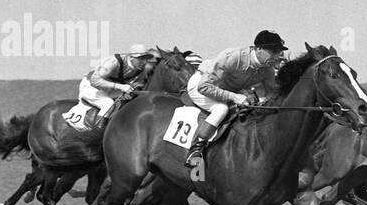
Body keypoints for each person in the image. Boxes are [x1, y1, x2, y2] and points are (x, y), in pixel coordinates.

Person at [184, 30, 287, 168]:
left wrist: (264, 100)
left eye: (278, 52)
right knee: (221, 109)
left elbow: (272, 93)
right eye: (273, 51)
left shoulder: (267, 69)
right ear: (258, 49)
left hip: (224, 89)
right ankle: (196, 148)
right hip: (200, 85)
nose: (277, 56)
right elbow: (204, 87)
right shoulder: (233, 57)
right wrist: (234, 96)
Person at [77, 44, 161, 123]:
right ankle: (98, 129)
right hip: (91, 87)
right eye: (140, 58)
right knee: (108, 104)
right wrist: (120, 87)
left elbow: (133, 87)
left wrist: (130, 92)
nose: (144, 62)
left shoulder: (141, 71)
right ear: (131, 57)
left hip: (110, 90)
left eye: (146, 59)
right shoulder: (112, 62)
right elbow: (94, 81)